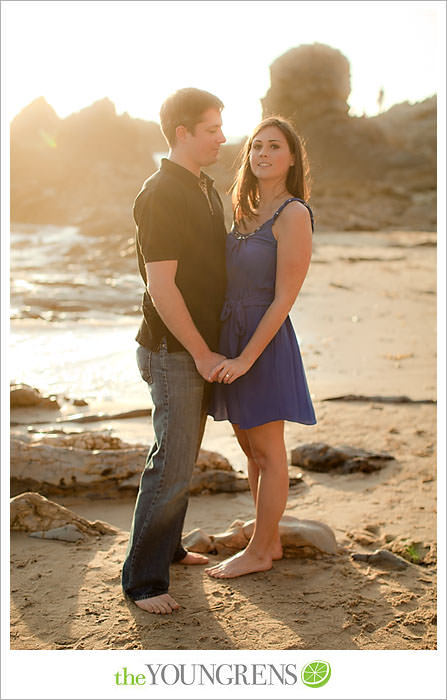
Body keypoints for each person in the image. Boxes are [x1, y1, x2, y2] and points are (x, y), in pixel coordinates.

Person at [122, 88, 227, 614]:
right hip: (174, 350)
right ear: (182, 132)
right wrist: (202, 353)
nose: (223, 139)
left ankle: (171, 546)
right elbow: (162, 287)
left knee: (181, 457)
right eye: (212, 130)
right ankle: (143, 580)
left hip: (194, 348)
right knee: (170, 461)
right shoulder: (163, 191)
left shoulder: (200, 185)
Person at [206, 116, 316, 579]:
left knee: (270, 452)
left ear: (291, 158)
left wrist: (248, 357)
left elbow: (285, 296)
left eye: (274, 146)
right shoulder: (242, 209)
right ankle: (267, 543)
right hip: (231, 335)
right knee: (250, 450)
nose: (263, 154)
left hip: (263, 343)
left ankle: (256, 550)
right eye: (256, 147)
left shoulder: (293, 213)